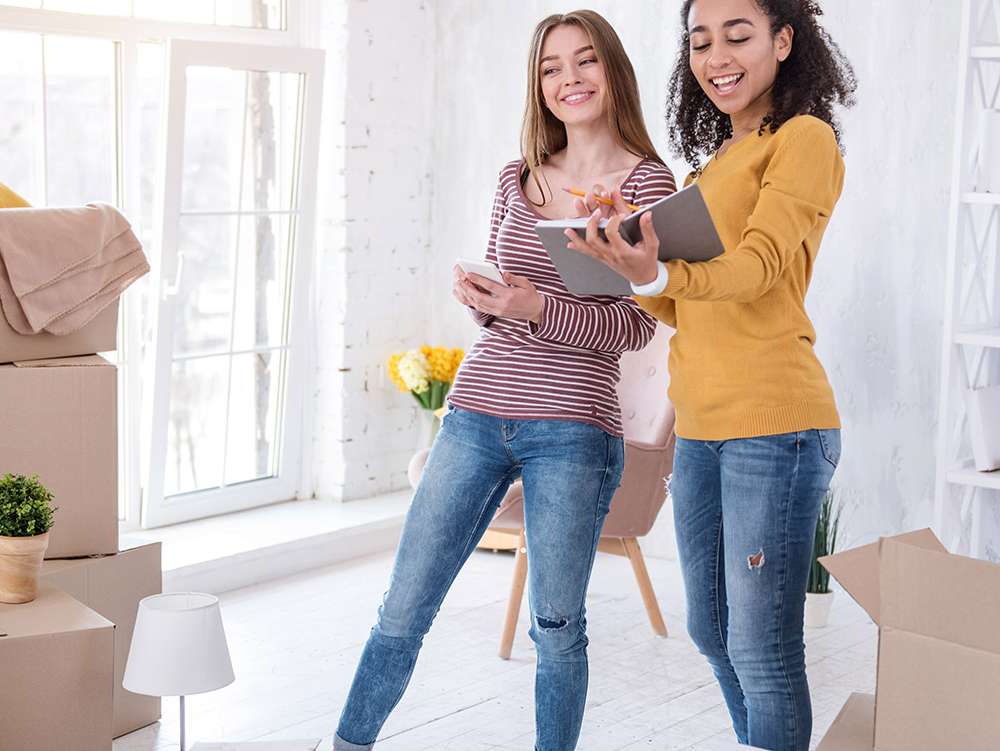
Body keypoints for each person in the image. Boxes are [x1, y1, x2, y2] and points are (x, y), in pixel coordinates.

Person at [333, 10, 676, 751]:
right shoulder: (514, 177)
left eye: (585, 61)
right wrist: (489, 303)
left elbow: (638, 328)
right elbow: (505, 309)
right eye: (552, 67)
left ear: (612, 70)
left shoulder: (646, 182)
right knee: (402, 605)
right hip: (478, 412)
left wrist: (536, 306)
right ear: (538, 84)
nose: (569, 79)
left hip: (575, 428)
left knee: (556, 629)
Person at [565, 1, 856, 749]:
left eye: (738, 35)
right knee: (713, 630)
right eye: (700, 41)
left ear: (784, 40)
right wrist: (624, 255)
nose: (716, 55)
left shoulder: (803, 140)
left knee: (763, 646)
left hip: (776, 424)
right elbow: (681, 306)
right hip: (699, 426)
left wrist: (656, 264)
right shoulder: (715, 163)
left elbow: (758, 271)